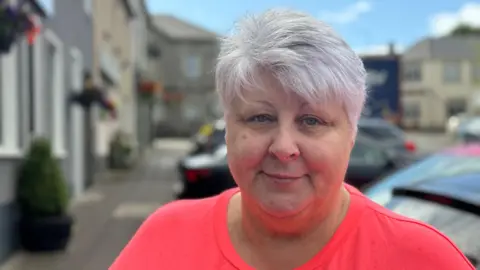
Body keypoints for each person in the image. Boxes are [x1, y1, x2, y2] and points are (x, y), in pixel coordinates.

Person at [110, 8, 474, 270]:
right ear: (230, 128)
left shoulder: (423, 259)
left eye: (312, 120)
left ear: (351, 135)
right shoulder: (167, 237)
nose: (283, 147)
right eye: (260, 117)